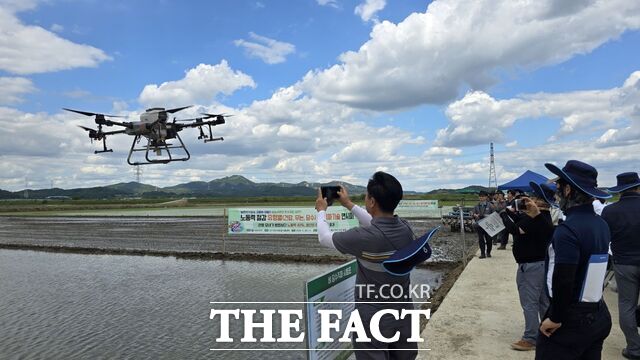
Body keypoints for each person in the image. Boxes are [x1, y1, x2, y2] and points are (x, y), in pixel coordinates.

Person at [315, 171, 417, 360]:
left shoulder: (365, 237)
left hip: (371, 317)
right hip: (403, 311)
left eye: (367, 196)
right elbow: (377, 223)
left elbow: (324, 237)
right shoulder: (405, 228)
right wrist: (348, 204)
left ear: (371, 201)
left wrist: (321, 210)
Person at [536, 160, 613, 360]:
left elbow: (564, 278)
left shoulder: (567, 230)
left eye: (558, 188)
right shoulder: (601, 224)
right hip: (597, 313)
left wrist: (555, 317)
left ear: (568, 189)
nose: (555, 194)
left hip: (571, 320)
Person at [499, 181, 554, 351]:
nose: (529, 200)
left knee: (530, 303)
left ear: (541, 201)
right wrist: (513, 213)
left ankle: (530, 338)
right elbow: (521, 223)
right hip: (539, 265)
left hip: (530, 267)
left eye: (534, 198)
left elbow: (516, 230)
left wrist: (503, 215)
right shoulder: (541, 218)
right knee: (543, 301)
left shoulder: (537, 220)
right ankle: (548, 334)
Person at [601, 172, 640, 359]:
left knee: (627, 305)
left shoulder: (610, 210)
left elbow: (606, 238)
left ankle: (634, 348)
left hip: (624, 262)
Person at [472, 191, 495, 258]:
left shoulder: (490, 205)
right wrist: (475, 215)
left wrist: (486, 216)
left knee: (489, 239)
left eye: (482, 196)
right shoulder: (476, 206)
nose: (481, 198)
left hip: (488, 225)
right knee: (481, 239)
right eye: (480, 196)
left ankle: (488, 252)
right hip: (479, 225)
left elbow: (494, 215)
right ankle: (482, 253)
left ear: (486, 197)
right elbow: (473, 213)